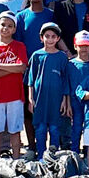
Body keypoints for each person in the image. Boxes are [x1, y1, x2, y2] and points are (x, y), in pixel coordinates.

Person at [0, 12, 28, 160]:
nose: (6, 28)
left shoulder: (19, 46)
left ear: (14, 29)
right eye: (3, 25)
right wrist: (12, 69)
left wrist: (0, 65)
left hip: (15, 95)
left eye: (10, 26)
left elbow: (22, 67)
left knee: (15, 130)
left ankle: (16, 161)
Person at [27, 22, 71, 157]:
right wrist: (30, 98)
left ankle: (53, 157)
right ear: (41, 38)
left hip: (56, 99)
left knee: (54, 129)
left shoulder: (62, 57)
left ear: (58, 38)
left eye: (53, 36)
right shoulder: (36, 56)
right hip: (40, 99)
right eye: (47, 36)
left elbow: (65, 80)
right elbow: (31, 79)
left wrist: (65, 100)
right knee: (40, 129)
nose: (50, 39)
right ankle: (41, 156)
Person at [66, 31, 89, 153]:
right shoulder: (70, 64)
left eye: (87, 45)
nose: (84, 48)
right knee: (76, 127)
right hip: (75, 102)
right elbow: (67, 86)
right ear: (75, 46)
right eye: (81, 45)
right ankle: (75, 152)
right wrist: (67, 103)